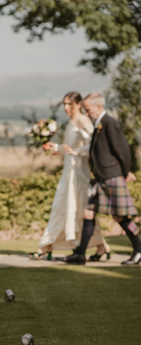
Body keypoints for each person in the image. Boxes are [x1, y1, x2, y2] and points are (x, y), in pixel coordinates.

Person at [31, 92, 111, 261]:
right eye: (64, 104)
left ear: (78, 104)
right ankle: (47, 244)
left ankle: (99, 245)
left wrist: (76, 151)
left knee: (79, 210)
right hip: (69, 170)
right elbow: (68, 147)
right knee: (61, 206)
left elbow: (93, 144)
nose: (67, 108)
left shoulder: (83, 120)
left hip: (79, 173)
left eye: (70, 104)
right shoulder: (71, 122)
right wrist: (57, 147)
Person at [65, 93, 140, 265]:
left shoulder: (109, 123)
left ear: (98, 107)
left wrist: (125, 171)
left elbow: (122, 150)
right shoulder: (99, 124)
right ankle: (80, 254)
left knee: (121, 217)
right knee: (88, 212)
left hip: (112, 176)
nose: (85, 113)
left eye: (88, 109)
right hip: (101, 178)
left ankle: (139, 248)